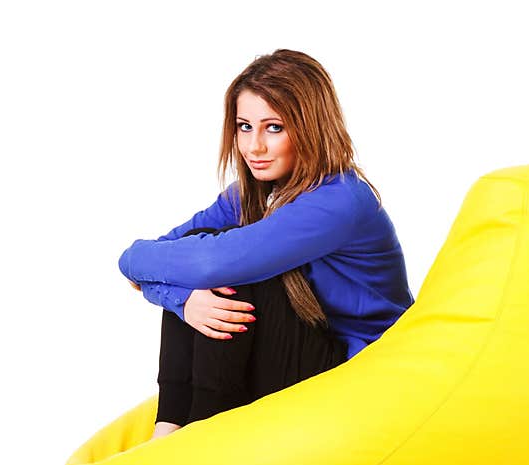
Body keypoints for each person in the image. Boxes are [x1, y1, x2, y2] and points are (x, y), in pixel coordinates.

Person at [118, 49, 414, 442]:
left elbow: (206, 264)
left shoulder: (340, 200)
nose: (253, 146)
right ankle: (168, 428)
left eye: (273, 128)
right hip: (298, 353)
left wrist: (169, 285)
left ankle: (203, 432)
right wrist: (183, 300)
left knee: (226, 266)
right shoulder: (250, 195)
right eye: (244, 127)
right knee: (195, 252)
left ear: (310, 127)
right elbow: (144, 257)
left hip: (356, 374)